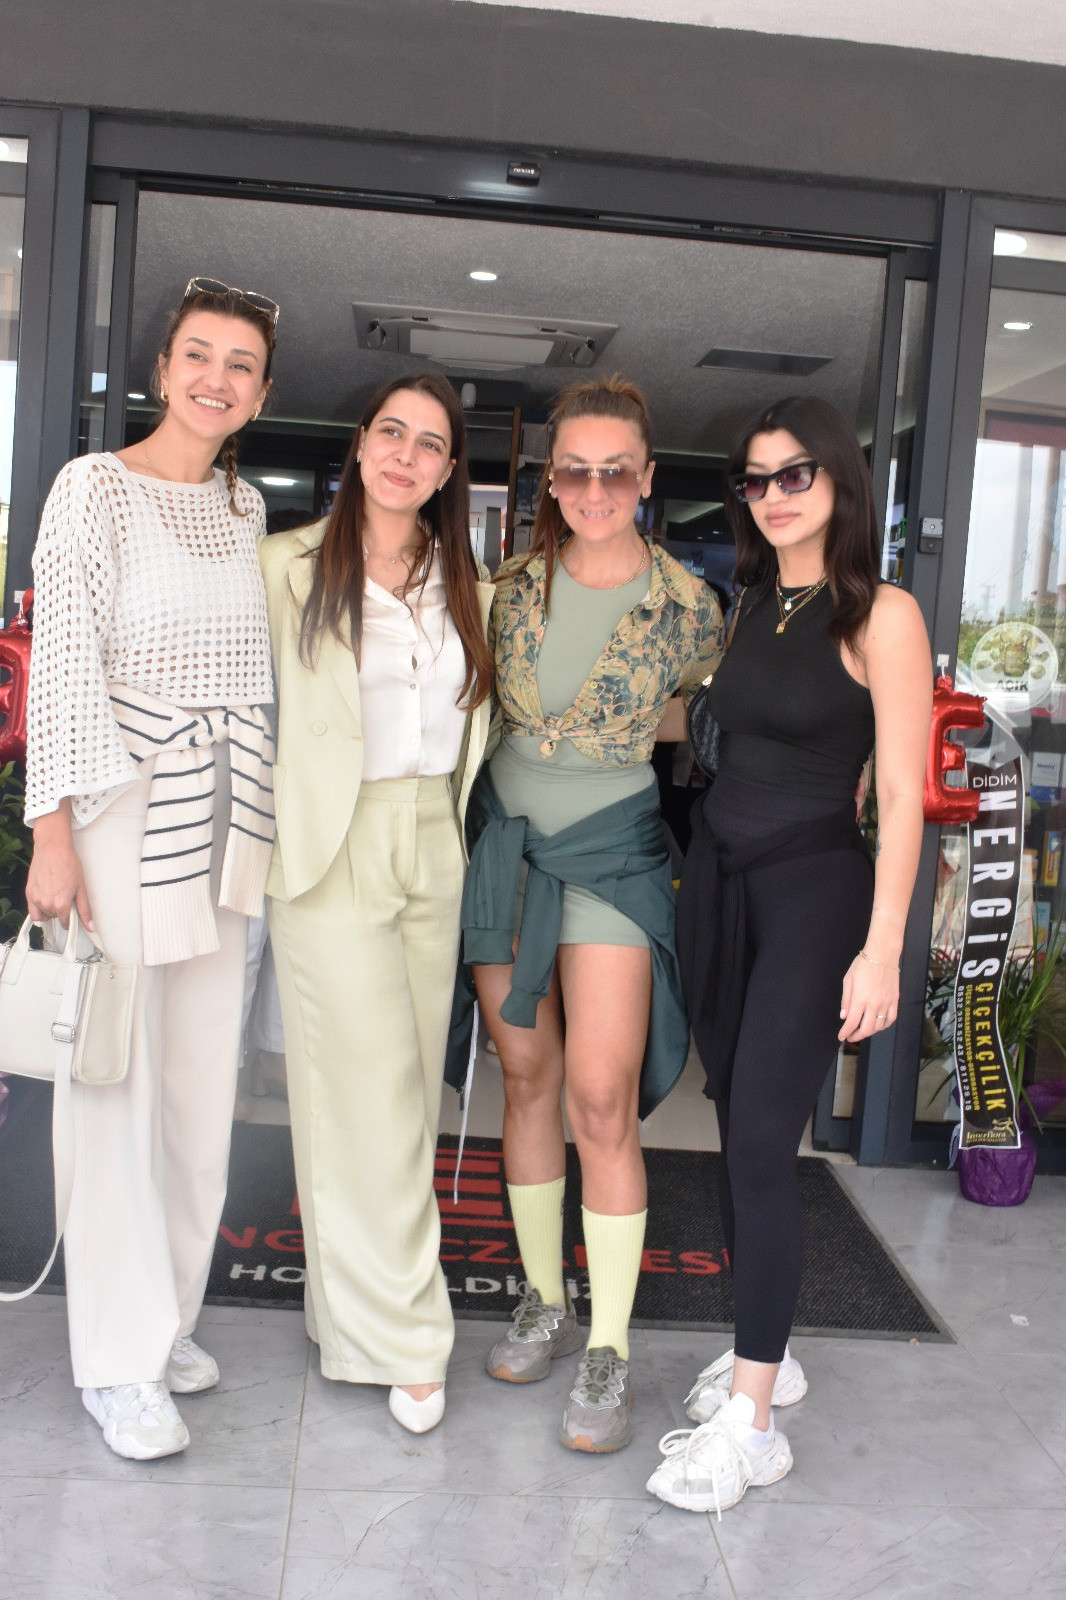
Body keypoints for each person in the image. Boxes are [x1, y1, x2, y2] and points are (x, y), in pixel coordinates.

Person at [646, 395, 932, 1514]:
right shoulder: (754, 602)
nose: (771, 496)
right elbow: (721, 733)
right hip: (722, 884)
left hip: (815, 891)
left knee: (766, 1137)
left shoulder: (882, 614)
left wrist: (882, 950)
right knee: (735, 1131)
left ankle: (753, 1425)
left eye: (794, 474)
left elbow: (900, 795)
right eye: (755, 479)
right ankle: (762, 1350)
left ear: (840, 480)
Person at [22, 276, 279, 1459]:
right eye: (198, 355)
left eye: (239, 364)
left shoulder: (243, 506)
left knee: (195, 1089)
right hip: (122, 809)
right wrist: (53, 833)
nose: (215, 378)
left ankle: (166, 1318)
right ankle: (115, 1358)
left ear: (261, 393)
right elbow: (63, 661)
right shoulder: (95, 488)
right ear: (162, 369)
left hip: (224, 818)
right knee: (115, 1084)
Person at [464, 374, 723, 1453]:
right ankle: (544, 1299)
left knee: (600, 1096)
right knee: (526, 1076)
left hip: (613, 858)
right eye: (575, 468)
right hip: (509, 854)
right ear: (551, 479)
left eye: (617, 469)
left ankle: (608, 1346)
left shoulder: (692, 608)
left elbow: (710, 718)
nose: (596, 486)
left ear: (646, 478)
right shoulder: (504, 589)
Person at [260, 372, 494, 1435]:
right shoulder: (286, 565)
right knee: (374, 1093)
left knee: (388, 1093)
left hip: (432, 836)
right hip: (335, 836)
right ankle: (407, 1337)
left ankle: (344, 1315)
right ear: (359, 444)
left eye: (429, 443)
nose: (406, 454)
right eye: (391, 432)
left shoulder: (465, 577)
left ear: (448, 471)